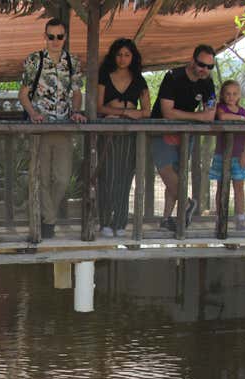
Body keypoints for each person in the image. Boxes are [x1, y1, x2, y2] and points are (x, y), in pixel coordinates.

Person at [18, 18, 86, 239]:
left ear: (65, 38)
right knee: (41, 177)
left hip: (63, 127)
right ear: (44, 37)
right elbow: (23, 94)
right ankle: (48, 221)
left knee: (63, 178)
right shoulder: (34, 60)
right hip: (40, 128)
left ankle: (48, 216)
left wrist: (76, 111)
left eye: (59, 36)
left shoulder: (73, 61)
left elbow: (77, 92)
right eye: (51, 36)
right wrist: (34, 114)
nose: (55, 41)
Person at [150, 44, 217, 232]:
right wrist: (198, 117)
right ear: (192, 60)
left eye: (210, 67)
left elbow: (210, 113)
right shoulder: (173, 76)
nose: (205, 70)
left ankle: (166, 219)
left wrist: (194, 117)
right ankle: (187, 203)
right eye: (202, 64)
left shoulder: (208, 82)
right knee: (166, 172)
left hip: (185, 134)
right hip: (160, 131)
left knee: (176, 176)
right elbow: (167, 112)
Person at [97, 38, 151, 238]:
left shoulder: (139, 79)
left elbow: (147, 110)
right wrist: (122, 112)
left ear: (133, 57)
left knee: (125, 177)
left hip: (130, 134)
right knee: (107, 176)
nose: (123, 58)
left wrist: (127, 113)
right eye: (119, 54)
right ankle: (105, 221)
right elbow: (98, 107)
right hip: (108, 132)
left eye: (127, 54)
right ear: (114, 55)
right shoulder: (104, 75)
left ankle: (120, 221)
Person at [208, 80, 245, 230]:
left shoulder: (244, 111)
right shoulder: (220, 108)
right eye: (228, 93)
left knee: (239, 188)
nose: (231, 97)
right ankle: (220, 217)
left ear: (239, 95)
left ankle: (240, 218)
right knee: (221, 187)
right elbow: (223, 117)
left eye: (234, 94)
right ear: (222, 94)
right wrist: (242, 120)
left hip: (238, 155)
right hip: (222, 155)